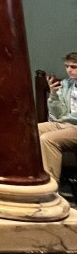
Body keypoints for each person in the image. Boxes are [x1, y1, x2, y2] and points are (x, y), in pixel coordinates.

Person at [38, 52, 77, 186]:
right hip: (63, 124)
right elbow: (56, 116)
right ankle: (31, 178)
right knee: (31, 131)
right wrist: (54, 95)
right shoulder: (67, 84)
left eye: (74, 67)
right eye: (67, 66)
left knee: (48, 139)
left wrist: (66, 121)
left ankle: (51, 186)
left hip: (74, 127)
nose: (69, 70)